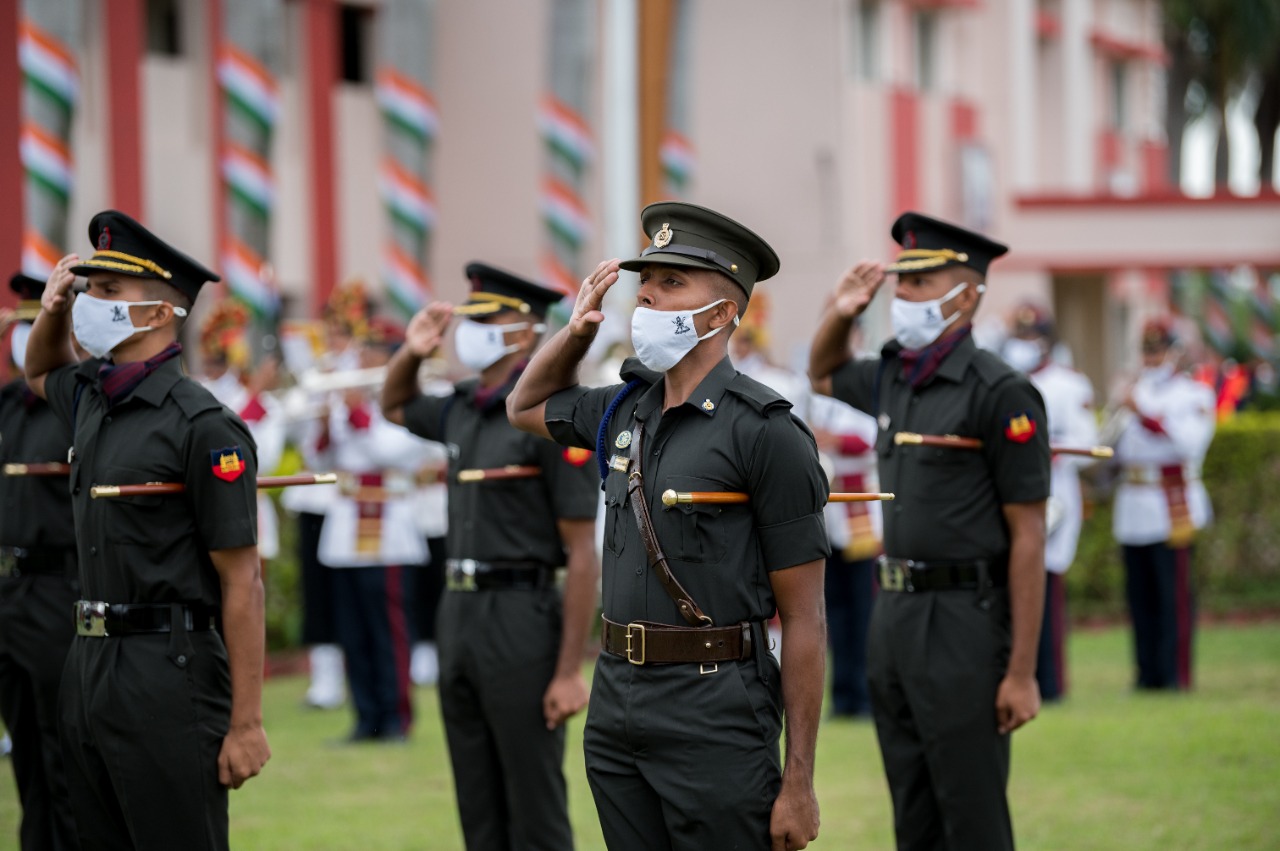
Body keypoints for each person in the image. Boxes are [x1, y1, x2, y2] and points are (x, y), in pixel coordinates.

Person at [507, 202, 829, 851]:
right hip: (617, 698)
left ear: (721, 312)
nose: (648, 293)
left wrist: (799, 779)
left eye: (673, 281)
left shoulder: (766, 433)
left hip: (716, 707)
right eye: (647, 279)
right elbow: (524, 405)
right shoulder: (624, 407)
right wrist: (575, 334)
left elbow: (805, 616)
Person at [23, 210, 270, 851]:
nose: (90, 302)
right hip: (90, 661)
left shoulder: (203, 424)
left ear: (159, 315)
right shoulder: (92, 397)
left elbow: (242, 578)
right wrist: (52, 310)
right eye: (91, 289)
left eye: (108, 293)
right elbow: (39, 371)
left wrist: (246, 723)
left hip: (168, 669)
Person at [809, 211, 1050, 851]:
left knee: (970, 816)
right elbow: (822, 371)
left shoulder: (1000, 391)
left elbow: (1029, 534)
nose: (902, 295)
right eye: (901, 281)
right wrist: (843, 309)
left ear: (966, 295)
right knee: (912, 815)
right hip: (896, 615)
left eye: (920, 282)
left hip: (964, 619)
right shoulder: (895, 374)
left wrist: (1023, 671)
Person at [382, 263, 600, 851]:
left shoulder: (547, 414)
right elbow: (395, 405)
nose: (468, 331)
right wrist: (412, 352)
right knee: (476, 802)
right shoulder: (460, 406)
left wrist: (568, 670)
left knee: (534, 806)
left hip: (522, 616)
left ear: (525, 332)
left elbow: (582, 551)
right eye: (468, 319)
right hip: (460, 613)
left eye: (486, 319)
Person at [318, 316, 431, 742]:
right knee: (353, 630)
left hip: (390, 525)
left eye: (371, 355)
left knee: (389, 629)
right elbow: (322, 462)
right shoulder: (350, 400)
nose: (361, 361)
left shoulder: (410, 399)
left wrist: (355, 410)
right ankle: (365, 716)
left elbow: (395, 450)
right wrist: (326, 423)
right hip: (346, 526)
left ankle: (396, 716)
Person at [0, 273, 81, 850]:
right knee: (25, 747)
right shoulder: (6, 406)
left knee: (64, 751)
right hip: (8, 595)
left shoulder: (77, 405)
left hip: (59, 588)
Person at [1110, 318, 1215, 690]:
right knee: (1140, 596)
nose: (1151, 358)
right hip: (1134, 499)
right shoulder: (1132, 390)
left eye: (1158, 350)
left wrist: (1141, 411)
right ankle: (1146, 673)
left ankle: (1175, 674)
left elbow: (1189, 444)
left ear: (1174, 352)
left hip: (1172, 501)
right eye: (1147, 350)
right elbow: (1113, 446)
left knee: (1174, 594)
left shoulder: (1192, 394)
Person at [1001, 304, 1098, 701]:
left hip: (1053, 492)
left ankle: (1051, 681)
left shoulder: (1069, 385)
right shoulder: (1003, 381)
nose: (1025, 344)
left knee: (1047, 581)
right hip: (1008, 492)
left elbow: (1085, 443)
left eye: (1031, 336)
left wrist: (1043, 451)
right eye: (1020, 336)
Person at [808, 374, 882, 718]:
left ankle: (865, 693)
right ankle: (842, 694)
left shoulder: (864, 392)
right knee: (834, 609)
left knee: (863, 608)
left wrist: (834, 439)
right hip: (830, 514)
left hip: (859, 515)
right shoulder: (817, 400)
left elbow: (872, 440)